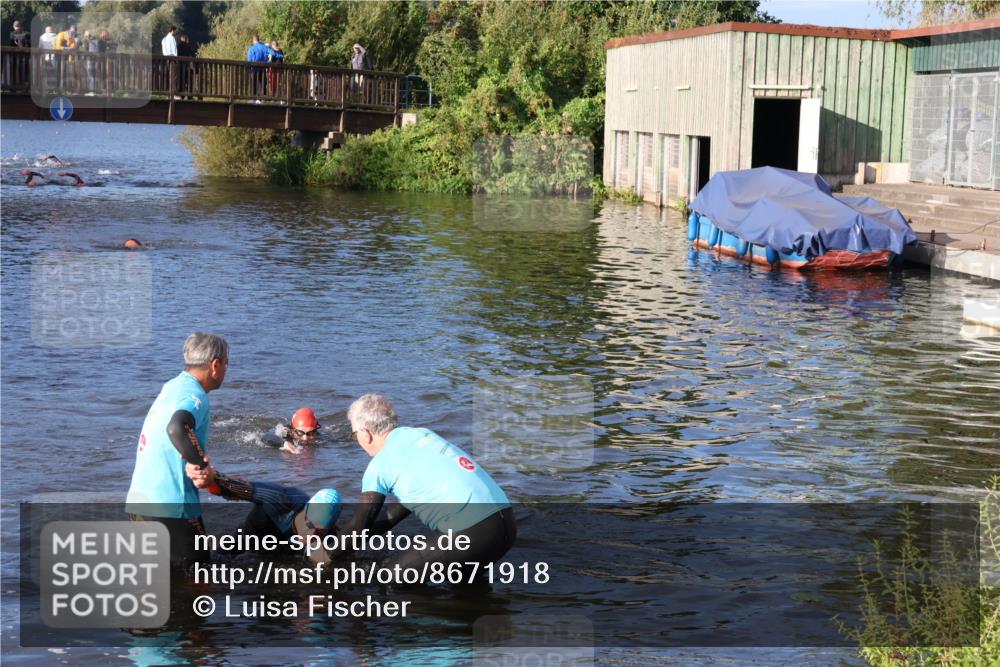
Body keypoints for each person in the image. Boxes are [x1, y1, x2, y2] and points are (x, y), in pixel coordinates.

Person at [338, 393, 516, 576]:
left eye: (354, 434)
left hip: (471, 533)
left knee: (392, 576)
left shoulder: (380, 464)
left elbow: (359, 526)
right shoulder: (422, 435)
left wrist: (324, 555)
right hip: (506, 525)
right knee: (464, 584)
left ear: (365, 434)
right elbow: (391, 516)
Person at [125, 333, 229, 570]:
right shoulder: (196, 395)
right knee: (200, 580)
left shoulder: (171, 386)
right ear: (215, 365)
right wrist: (201, 467)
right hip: (173, 507)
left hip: (139, 502)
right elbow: (177, 427)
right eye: (226, 363)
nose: (225, 370)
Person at [185, 463, 341, 565]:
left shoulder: (329, 535)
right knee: (215, 562)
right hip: (254, 534)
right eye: (311, 526)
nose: (312, 535)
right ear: (306, 512)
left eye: (320, 533)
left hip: (282, 546)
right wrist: (208, 476)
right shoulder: (282, 499)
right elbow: (237, 487)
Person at [246, 35, 270, 102]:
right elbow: (268, 57)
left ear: (253, 40)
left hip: (254, 68)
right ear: (259, 40)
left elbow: (249, 59)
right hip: (263, 68)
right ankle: (263, 98)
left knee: (254, 83)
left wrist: (248, 68)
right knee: (262, 83)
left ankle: (254, 98)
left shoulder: (252, 48)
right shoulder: (265, 48)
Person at [38, 26, 57, 91]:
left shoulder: (42, 37)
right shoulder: (56, 36)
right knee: (54, 72)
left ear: (46, 31)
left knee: (46, 73)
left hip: (45, 57)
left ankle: (48, 87)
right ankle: (53, 87)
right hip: (54, 57)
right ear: (52, 30)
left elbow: (40, 47)